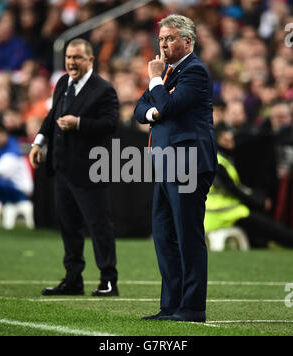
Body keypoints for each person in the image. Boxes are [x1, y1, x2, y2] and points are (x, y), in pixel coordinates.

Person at [134, 15, 217, 322]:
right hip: (166, 165)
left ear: (188, 41)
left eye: (169, 38)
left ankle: (193, 308)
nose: (163, 44)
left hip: (189, 164)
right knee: (164, 235)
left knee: (187, 236)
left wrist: (155, 83)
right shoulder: (169, 74)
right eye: (161, 39)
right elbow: (139, 111)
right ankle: (171, 306)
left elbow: (167, 107)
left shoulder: (194, 71)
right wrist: (156, 105)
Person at [29, 39, 119, 297]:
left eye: (77, 57)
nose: (71, 62)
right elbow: (51, 117)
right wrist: (38, 142)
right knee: (68, 227)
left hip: (91, 170)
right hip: (62, 169)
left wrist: (79, 123)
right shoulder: (61, 84)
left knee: (98, 226)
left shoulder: (103, 89)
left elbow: (111, 124)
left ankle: (108, 280)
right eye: (69, 57)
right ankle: (73, 279)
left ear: (90, 60)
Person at [204, 124, 293, 248]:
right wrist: (259, 202)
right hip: (223, 213)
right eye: (226, 141)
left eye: (231, 140)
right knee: (268, 226)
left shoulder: (216, 158)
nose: (230, 144)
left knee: (263, 225)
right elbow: (234, 190)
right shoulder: (218, 163)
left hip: (217, 213)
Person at [0, 116, 33, 212]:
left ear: (5, 134)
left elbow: (2, 172)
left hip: (20, 190)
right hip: (4, 187)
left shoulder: (13, 148)